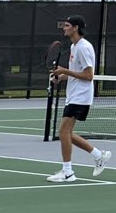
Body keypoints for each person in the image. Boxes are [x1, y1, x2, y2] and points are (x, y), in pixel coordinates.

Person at [47, 15, 111, 182]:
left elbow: (89, 76)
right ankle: (99, 155)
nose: (64, 28)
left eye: (67, 25)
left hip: (81, 97)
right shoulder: (74, 47)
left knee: (63, 132)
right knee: (67, 133)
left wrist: (64, 70)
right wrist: (61, 77)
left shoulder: (84, 47)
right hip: (73, 95)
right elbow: (76, 73)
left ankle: (68, 172)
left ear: (75, 28)